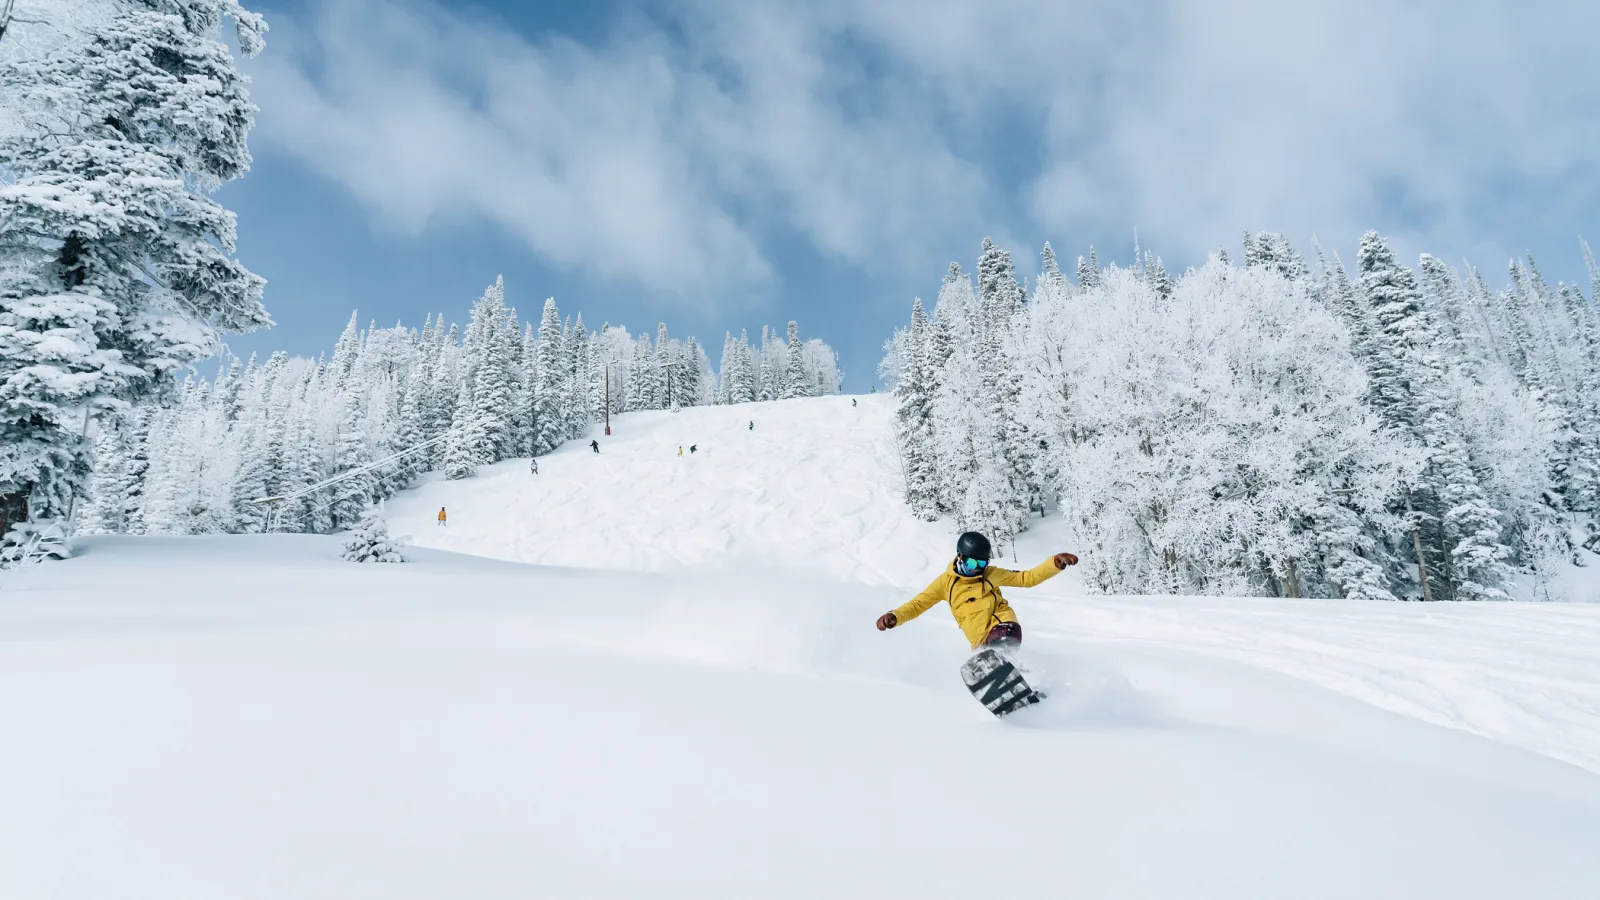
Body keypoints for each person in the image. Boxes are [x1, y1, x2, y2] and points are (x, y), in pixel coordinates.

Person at [875, 531, 1077, 650]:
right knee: (986, 663)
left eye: (982, 562)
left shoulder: (991, 574)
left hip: (1002, 625)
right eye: (972, 562)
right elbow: (919, 604)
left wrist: (1054, 563)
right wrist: (895, 615)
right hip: (978, 640)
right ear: (960, 557)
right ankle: (1021, 684)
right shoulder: (946, 584)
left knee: (1003, 645)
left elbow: (1027, 578)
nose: (977, 567)